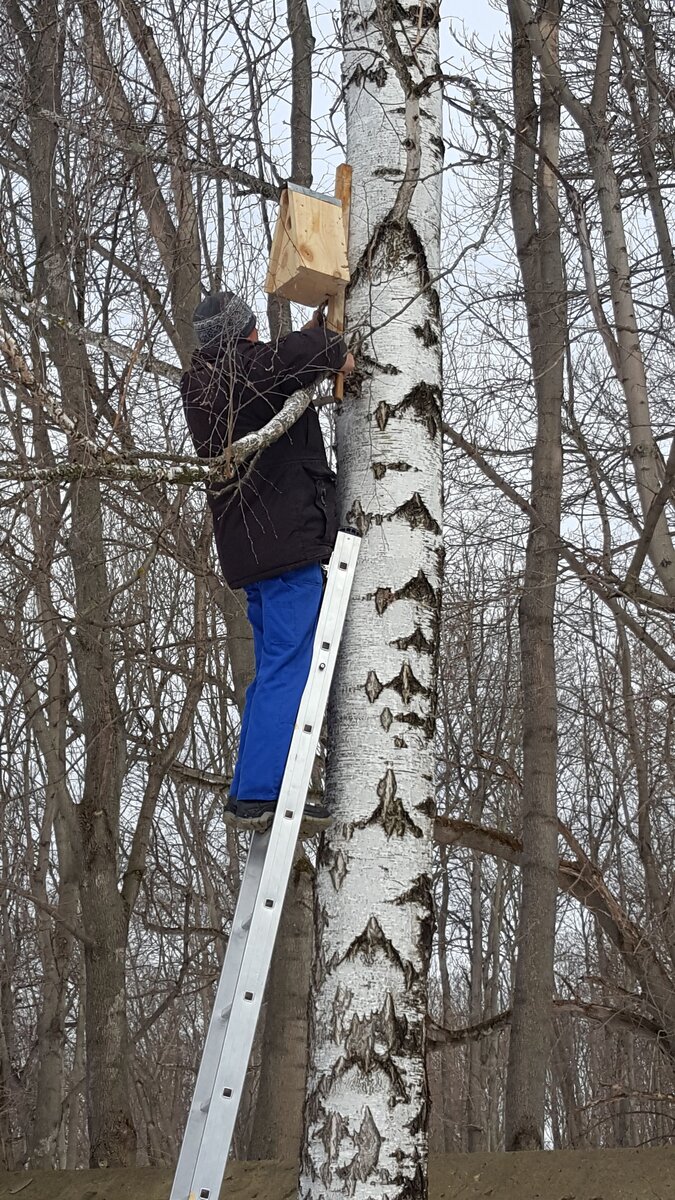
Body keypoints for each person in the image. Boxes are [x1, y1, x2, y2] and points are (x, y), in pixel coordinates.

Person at [181, 290, 355, 832]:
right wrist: (332, 343)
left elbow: (282, 366)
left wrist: (312, 337)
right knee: (289, 666)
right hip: (283, 545)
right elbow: (293, 358)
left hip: (255, 552)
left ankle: (248, 790)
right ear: (244, 334)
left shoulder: (209, 384)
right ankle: (263, 791)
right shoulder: (241, 373)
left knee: (270, 669)